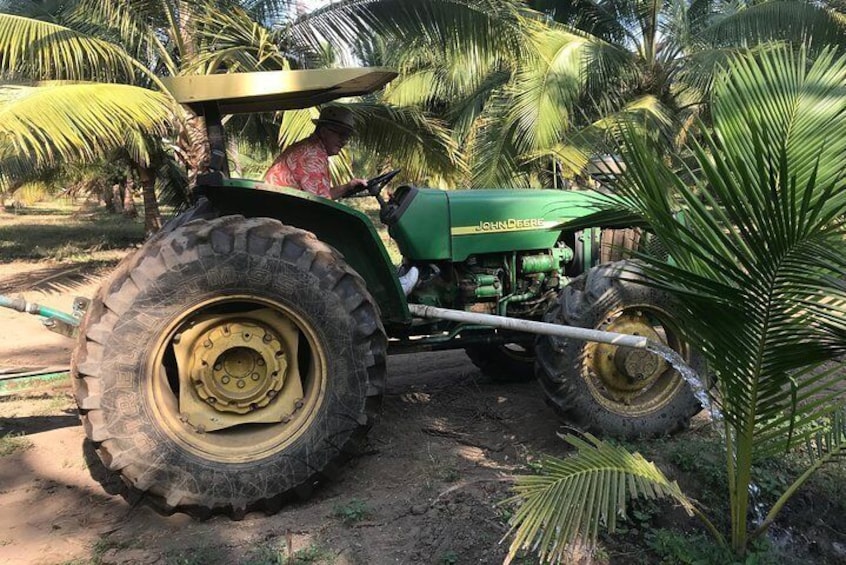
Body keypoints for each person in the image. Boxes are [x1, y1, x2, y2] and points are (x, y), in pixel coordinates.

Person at [264, 106, 367, 199]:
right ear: (323, 132)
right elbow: (321, 203)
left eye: (347, 137)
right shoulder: (312, 156)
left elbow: (321, 196)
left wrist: (348, 187)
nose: (343, 142)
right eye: (341, 135)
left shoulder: (312, 149)